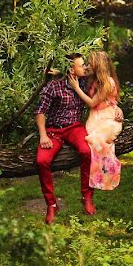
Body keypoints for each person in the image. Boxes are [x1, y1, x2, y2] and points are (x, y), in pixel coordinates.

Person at [35, 53, 95, 224]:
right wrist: (43, 135)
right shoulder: (54, 86)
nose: (85, 67)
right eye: (82, 65)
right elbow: (40, 111)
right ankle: (52, 205)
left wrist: (116, 108)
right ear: (71, 69)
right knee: (41, 161)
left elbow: (103, 72)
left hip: (75, 128)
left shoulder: (84, 82)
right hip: (54, 131)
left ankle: (87, 196)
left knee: (86, 151)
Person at [68, 50, 124, 191]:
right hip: (95, 117)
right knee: (89, 140)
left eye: (91, 63)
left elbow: (92, 103)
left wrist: (76, 88)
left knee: (95, 138)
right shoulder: (92, 78)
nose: (87, 66)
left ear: (98, 66)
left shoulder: (108, 82)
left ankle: (111, 168)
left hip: (107, 116)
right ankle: (97, 177)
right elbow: (73, 70)